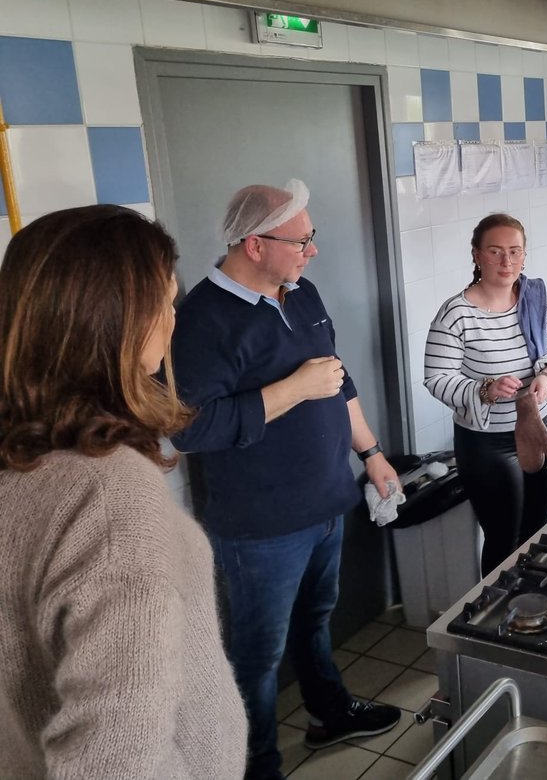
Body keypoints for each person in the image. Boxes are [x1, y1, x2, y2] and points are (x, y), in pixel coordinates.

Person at [0, 205, 246, 779]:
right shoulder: (105, 492)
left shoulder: (22, 466)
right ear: (115, 318)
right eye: (163, 300)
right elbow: (116, 760)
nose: (172, 319)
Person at [170, 180, 401, 780]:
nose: (313, 251)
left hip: (327, 501)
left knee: (316, 619)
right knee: (257, 656)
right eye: (302, 240)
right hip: (259, 528)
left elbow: (337, 379)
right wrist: (293, 388)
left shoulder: (300, 293)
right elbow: (193, 429)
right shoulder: (199, 321)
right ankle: (256, 766)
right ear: (253, 244)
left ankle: (328, 714)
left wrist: (370, 453)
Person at [424, 213, 547, 576]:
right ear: (476, 255)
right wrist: (485, 388)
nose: (506, 261)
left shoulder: (535, 297)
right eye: (495, 252)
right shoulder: (456, 314)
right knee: (503, 537)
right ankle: (494, 618)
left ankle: (531, 605)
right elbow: (436, 378)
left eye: (515, 251)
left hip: (536, 429)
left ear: (525, 255)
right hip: (487, 444)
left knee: (538, 528)